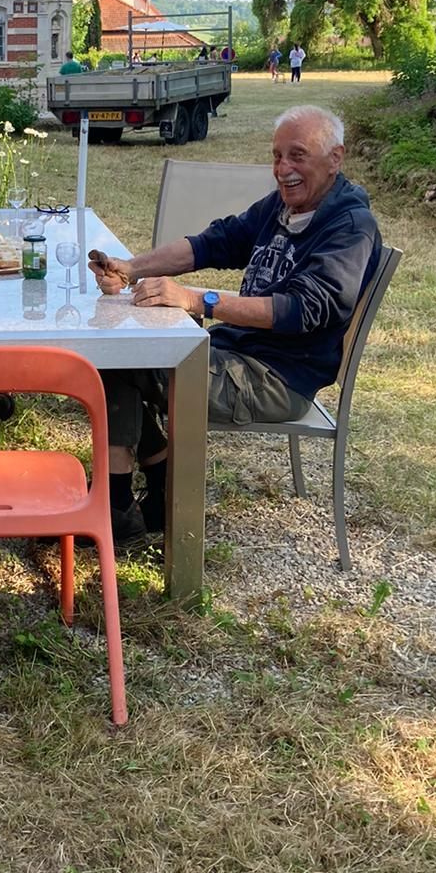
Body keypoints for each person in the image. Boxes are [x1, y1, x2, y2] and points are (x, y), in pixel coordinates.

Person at [88, 106, 380, 547]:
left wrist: (197, 300)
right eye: (277, 156)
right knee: (118, 354)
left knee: (119, 363)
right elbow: (213, 243)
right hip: (235, 354)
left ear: (335, 158)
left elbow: (301, 309)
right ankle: (151, 489)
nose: (283, 170)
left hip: (274, 378)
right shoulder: (282, 208)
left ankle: (116, 508)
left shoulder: (349, 226)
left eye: (297, 156)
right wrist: (130, 268)